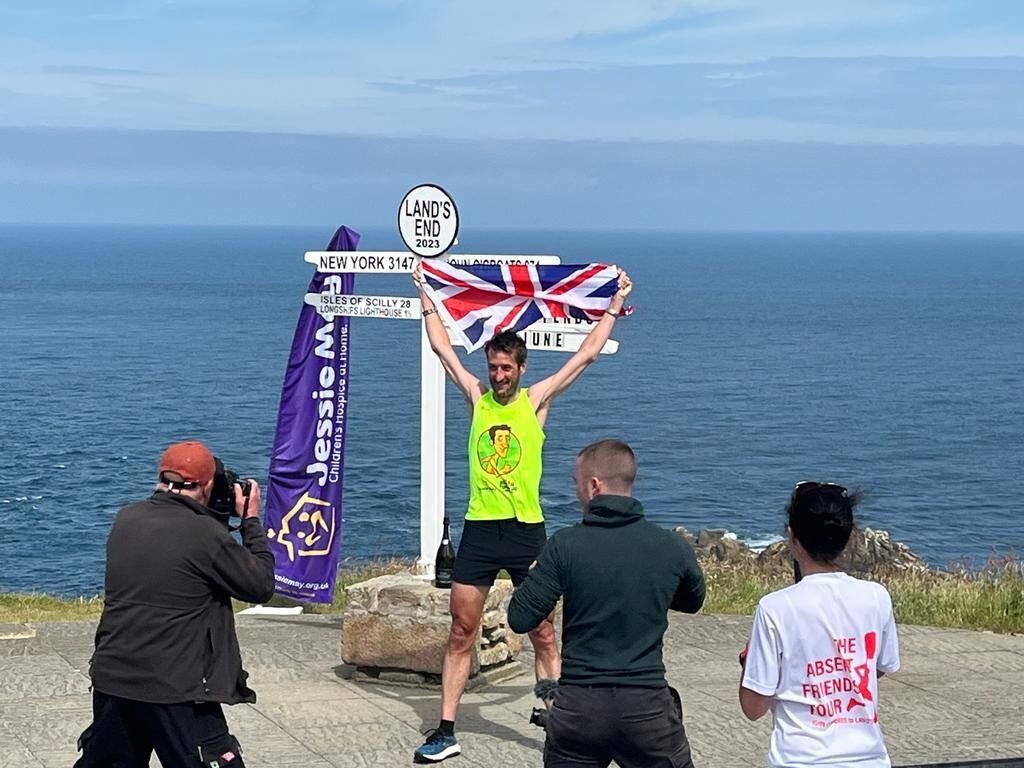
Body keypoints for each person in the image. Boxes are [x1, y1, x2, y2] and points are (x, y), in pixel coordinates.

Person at [412, 263, 633, 763]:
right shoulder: (477, 398)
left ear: (521, 367)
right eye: (492, 367)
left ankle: (553, 718)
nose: (498, 375)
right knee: (461, 630)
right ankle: (446, 729)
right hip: (480, 528)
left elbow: (586, 355)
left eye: (505, 368)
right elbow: (442, 348)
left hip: (527, 530)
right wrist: (426, 293)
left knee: (543, 629)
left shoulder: (536, 401)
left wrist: (615, 303)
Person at [74, 440, 275, 768]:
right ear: (208, 485)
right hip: (177, 687)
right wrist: (250, 521)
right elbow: (260, 586)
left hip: (115, 677)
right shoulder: (206, 535)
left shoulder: (126, 519)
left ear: (161, 476)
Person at [508, 439, 705, 768]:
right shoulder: (672, 546)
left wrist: (535, 577)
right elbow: (692, 601)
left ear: (594, 485)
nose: (576, 493)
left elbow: (520, 617)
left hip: (578, 709)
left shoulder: (565, 545)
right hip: (647, 707)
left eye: (577, 483)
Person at [739, 481, 900, 768]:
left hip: (799, 760)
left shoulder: (775, 608)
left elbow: (753, 707)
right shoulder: (876, 597)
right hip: (869, 759)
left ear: (792, 536)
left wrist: (749, 663)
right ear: (850, 536)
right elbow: (878, 666)